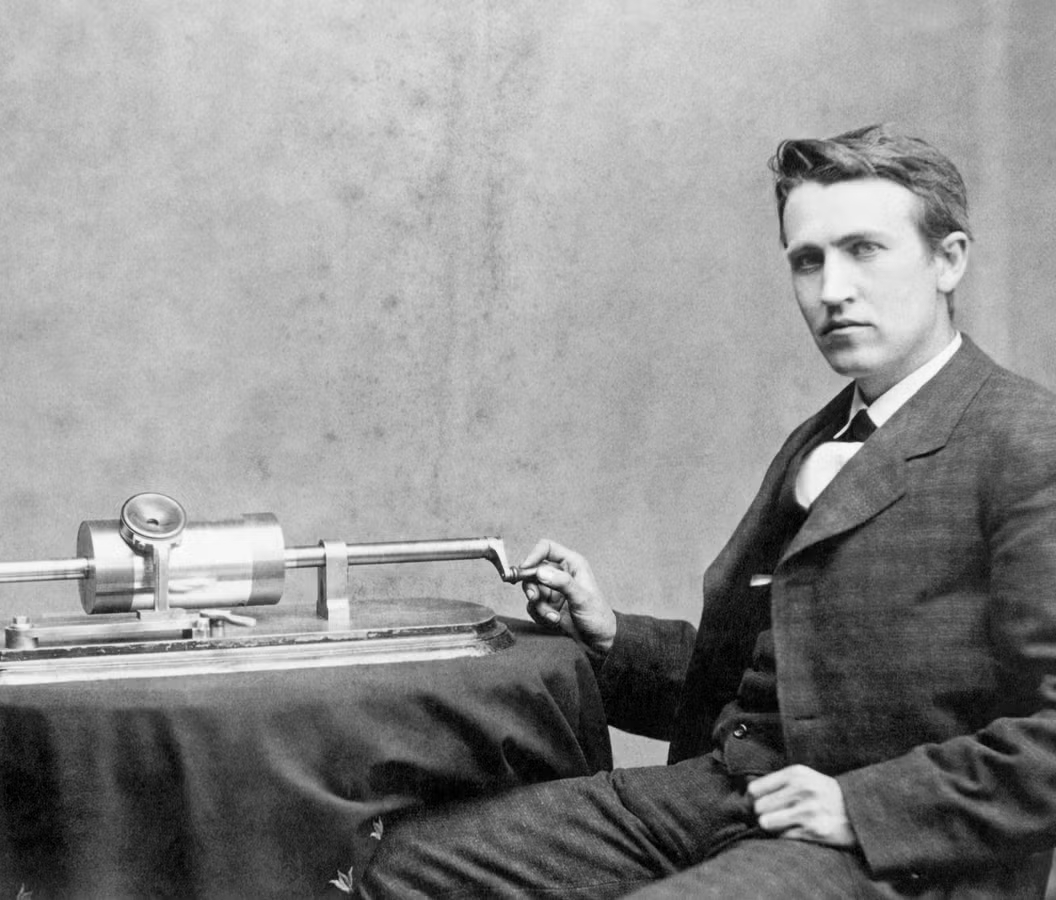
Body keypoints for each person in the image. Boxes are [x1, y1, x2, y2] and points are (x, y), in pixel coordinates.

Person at [359, 125, 1056, 899]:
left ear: (948, 259)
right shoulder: (825, 436)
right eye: (808, 260)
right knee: (403, 864)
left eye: (865, 250)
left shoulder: (1026, 443)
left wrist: (861, 807)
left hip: (894, 853)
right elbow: (772, 683)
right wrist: (611, 635)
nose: (832, 290)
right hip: (731, 796)